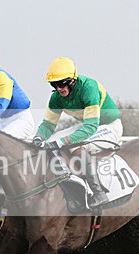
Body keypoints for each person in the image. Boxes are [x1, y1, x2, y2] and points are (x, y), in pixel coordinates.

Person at [33, 57, 123, 208]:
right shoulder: (56, 97)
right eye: (54, 84)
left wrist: (63, 142)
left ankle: (98, 192)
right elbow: (48, 124)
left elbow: (90, 127)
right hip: (90, 126)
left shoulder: (89, 88)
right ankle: (66, 183)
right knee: (51, 141)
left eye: (62, 83)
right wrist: (38, 138)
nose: (59, 88)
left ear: (72, 80)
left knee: (74, 145)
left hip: (109, 126)